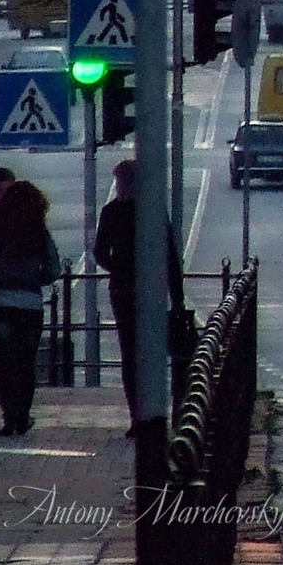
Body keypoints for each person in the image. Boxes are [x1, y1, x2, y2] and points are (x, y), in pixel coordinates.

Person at [93, 160, 182, 438]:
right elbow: (169, 255)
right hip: (151, 291)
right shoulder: (153, 211)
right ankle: (154, 414)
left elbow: (98, 251)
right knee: (152, 353)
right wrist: (177, 298)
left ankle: (136, 416)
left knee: (130, 355)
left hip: (122, 290)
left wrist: (116, 266)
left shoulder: (111, 212)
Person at [0, 178, 60, 437]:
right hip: (30, 303)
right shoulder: (38, 231)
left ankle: (9, 417)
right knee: (26, 362)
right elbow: (54, 268)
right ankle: (23, 415)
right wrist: (36, 279)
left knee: (5, 362)